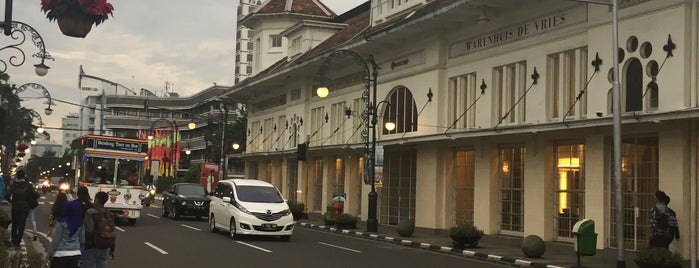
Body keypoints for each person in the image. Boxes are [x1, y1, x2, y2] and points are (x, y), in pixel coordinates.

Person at [82, 191, 115, 268]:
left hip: (92, 246)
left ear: (96, 200)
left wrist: (84, 244)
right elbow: (112, 233)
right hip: (105, 246)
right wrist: (112, 249)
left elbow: (89, 230)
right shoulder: (109, 214)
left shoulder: (90, 212)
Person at [48, 200, 85, 268]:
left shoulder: (61, 222)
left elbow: (55, 241)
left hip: (60, 253)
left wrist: (50, 254)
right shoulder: (81, 223)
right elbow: (82, 240)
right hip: (75, 253)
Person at [7, 170, 36, 249]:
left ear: (16, 176)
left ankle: (13, 239)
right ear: (24, 176)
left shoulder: (14, 185)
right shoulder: (28, 185)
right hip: (25, 207)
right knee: (22, 225)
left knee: (15, 224)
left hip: (15, 206)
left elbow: (7, 194)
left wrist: (11, 201)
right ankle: (18, 242)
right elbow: (35, 194)